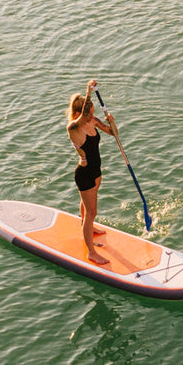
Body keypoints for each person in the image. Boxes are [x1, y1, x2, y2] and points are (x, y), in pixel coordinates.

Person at [66, 79, 116, 264]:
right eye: (88, 114)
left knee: (87, 208)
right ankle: (91, 252)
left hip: (97, 171)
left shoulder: (92, 120)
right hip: (85, 174)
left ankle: (87, 225)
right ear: (78, 114)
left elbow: (113, 133)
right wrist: (88, 91)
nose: (92, 117)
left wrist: (112, 122)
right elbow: (82, 117)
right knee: (91, 211)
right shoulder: (73, 128)